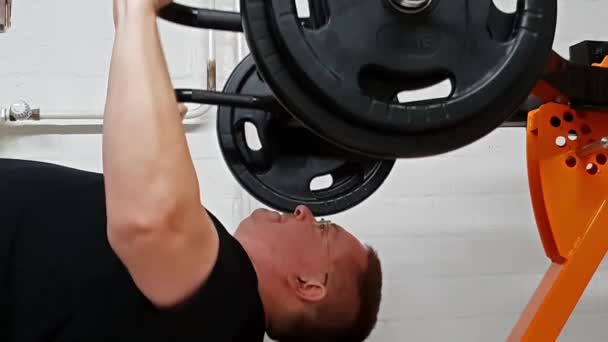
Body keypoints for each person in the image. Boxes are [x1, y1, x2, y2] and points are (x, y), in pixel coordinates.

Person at [0, 0, 383, 341]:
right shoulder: (215, 303)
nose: (305, 211)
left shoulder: (228, 309)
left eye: (323, 229)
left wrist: (137, 12)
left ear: (309, 285)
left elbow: (148, 222)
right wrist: (157, 129)